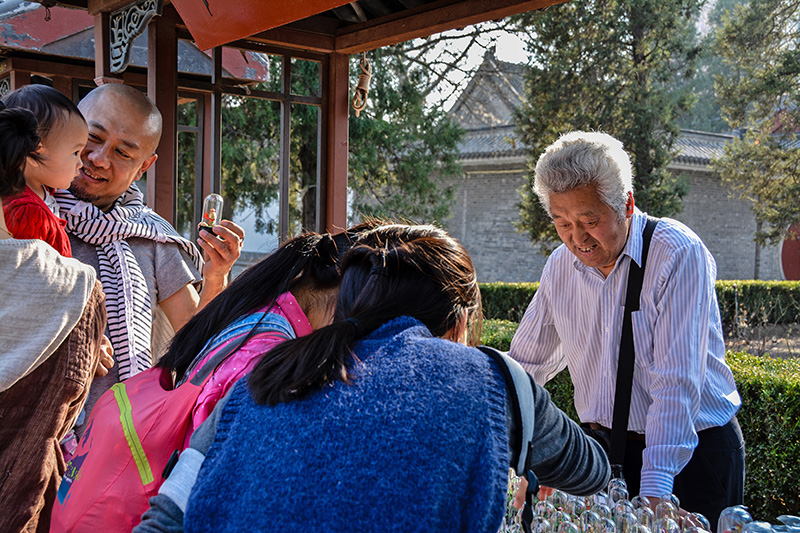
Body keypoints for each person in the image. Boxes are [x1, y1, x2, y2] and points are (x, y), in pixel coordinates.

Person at [135, 223, 611, 532]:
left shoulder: (266, 377)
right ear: (458, 323)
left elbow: (167, 516)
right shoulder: (491, 379)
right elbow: (592, 471)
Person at [508, 131, 744, 527]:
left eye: (590, 221)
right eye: (562, 223)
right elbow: (526, 366)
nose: (577, 238)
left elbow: (676, 382)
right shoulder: (559, 266)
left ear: (627, 204)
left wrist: (656, 490)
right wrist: (523, 455)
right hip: (606, 452)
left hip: (692, 454)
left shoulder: (676, 253)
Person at [50, 83, 244, 437]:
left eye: (123, 153)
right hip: (29, 435)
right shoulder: (23, 213)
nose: (99, 159)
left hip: (120, 442)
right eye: (93, 137)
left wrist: (216, 275)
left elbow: (194, 339)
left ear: (144, 166)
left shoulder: (153, 238)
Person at [0, 178, 107, 531]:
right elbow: (65, 413)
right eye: (77, 152)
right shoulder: (78, 286)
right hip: (24, 496)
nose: (86, 160)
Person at [1, 85, 87, 256]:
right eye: (75, 152)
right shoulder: (27, 213)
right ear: (33, 153)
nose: (80, 164)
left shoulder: (42, 190)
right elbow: (30, 269)